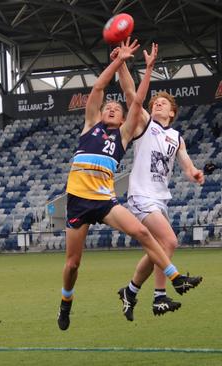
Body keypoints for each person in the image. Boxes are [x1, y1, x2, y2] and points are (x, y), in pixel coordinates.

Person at [57, 39, 202, 331]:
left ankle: (173, 279)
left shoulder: (125, 136)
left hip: (105, 201)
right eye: (107, 108)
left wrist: (148, 69)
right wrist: (118, 61)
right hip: (78, 200)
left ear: (125, 119)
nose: (110, 109)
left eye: (116, 108)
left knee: (141, 232)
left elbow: (135, 100)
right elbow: (99, 89)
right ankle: (66, 302)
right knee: (73, 265)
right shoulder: (90, 127)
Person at [114, 47, 204, 321]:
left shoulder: (176, 137)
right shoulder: (145, 124)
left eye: (163, 103)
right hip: (141, 196)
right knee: (169, 241)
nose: (157, 105)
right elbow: (131, 94)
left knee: (158, 250)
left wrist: (195, 174)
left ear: (173, 113)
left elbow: (187, 166)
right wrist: (121, 65)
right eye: (155, 103)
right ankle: (159, 298)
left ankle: (130, 291)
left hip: (160, 198)